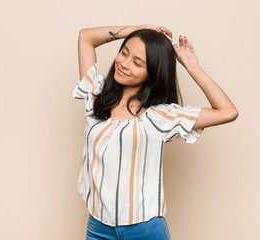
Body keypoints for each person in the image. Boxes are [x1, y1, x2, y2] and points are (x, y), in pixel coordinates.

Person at [73, 24, 238, 240]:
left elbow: (227, 112)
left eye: (137, 62)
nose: (124, 64)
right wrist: (139, 30)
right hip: (98, 226)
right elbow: (85, 37)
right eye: (124, 53)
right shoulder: (96, 96)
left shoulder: (160, 116)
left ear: (151, 74)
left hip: (144, 230)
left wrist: (191, 66)